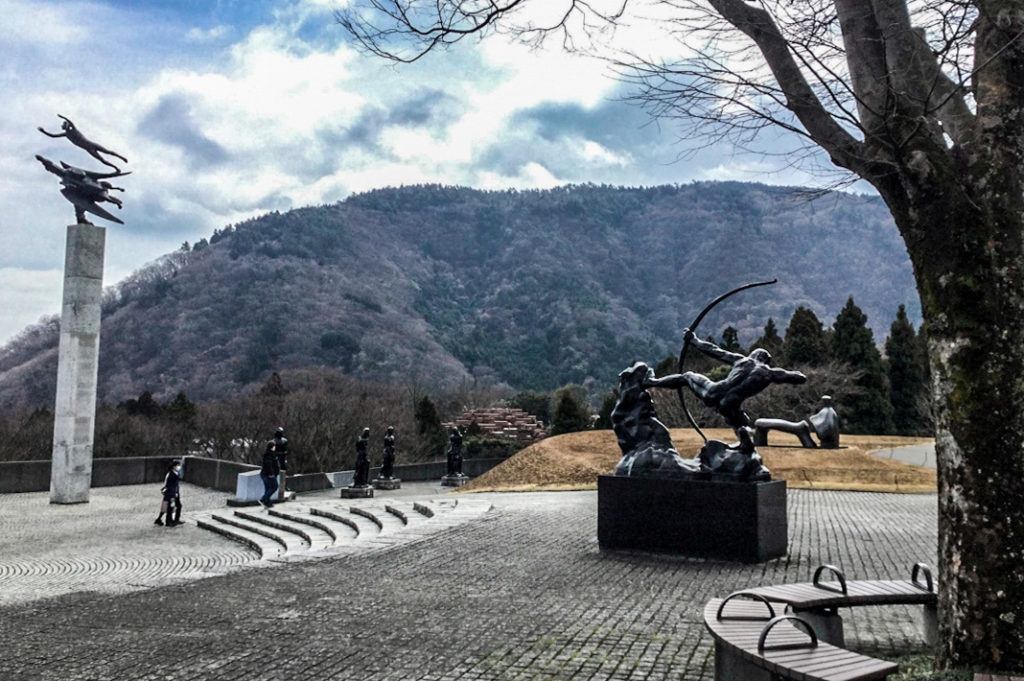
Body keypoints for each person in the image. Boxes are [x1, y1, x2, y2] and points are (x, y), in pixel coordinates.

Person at [646, 328, 807, 434]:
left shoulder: (742, 360)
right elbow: (799, 377)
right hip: (729, 405)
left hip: (713, 392)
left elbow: (715, 351)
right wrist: (796, 374)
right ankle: (745, 445)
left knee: (687, 376)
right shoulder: (770, 374)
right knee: (743, 423)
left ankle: (652, 382)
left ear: (755, 355)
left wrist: (694, 340)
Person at [156, 460, 182, 527]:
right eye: (178, 466)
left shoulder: (175, 473)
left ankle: (173, 520)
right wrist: (173, 494)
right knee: (170, 507)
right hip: (171, 493)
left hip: (174, 492)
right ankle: (169, 521)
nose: (179, 467)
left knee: (173, 506)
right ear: (174, 467)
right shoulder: (171, 474)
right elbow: (169, 485)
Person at [259, 441, 280, 509]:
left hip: (267, 474)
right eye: (274, 446)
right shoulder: (269, 455)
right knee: (274, 487)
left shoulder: (270, 454)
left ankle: (267, 502)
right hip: (268, 474)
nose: (275, 447)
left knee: (268, 488)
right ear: (272, 447)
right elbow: (269, 465)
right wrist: (271, 473)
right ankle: (264, 499)